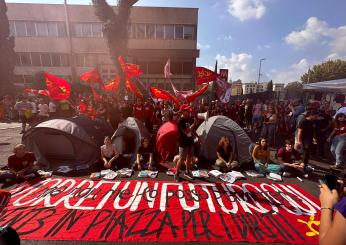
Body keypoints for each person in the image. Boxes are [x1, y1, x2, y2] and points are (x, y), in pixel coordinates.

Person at [175, 104, 196, 182]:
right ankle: (176, 173)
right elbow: (186, 131)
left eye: (188, 110)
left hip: (190, 141)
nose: (188, 111)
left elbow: (192, 131)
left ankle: (187, 171)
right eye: (186, 110)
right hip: (183, 142)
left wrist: (197, 136)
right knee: (181, 158)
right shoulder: (180, 121)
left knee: (190, 157)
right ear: (182, 112)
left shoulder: (190, 119)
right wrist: (194, 124)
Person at [295, 110, 319, 174]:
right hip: (304, 139)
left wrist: (314, 139)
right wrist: (299, 141)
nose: (316, 118)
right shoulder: (303, 121)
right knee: (305, 152)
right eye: (315, 116)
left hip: (309, 139)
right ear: (311, 115)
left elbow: (313, 131)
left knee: (307, 152)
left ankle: (304, 164)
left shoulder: (312, 122)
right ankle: (302, 165)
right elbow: (300, 131)